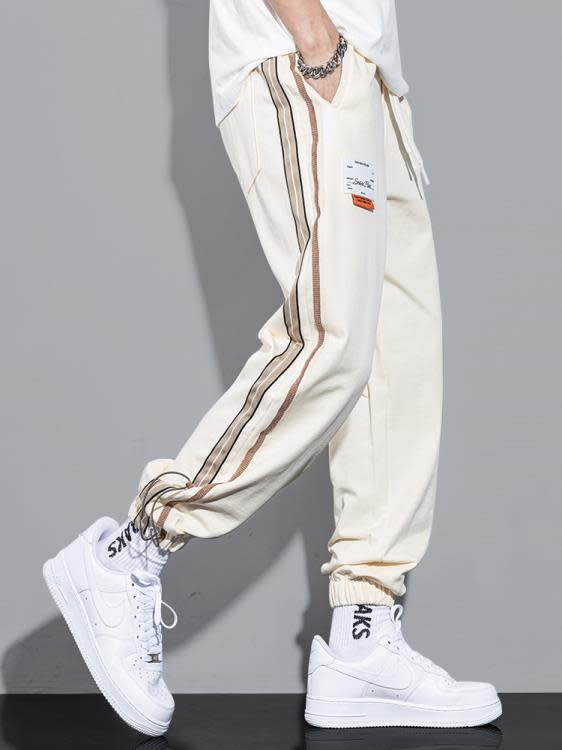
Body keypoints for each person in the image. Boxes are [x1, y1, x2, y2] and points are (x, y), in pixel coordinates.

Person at [43, 0, 502, 737]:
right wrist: (315, 36)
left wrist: (356, 61)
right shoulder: (313, 49)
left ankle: (363, 636)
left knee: (398, 359)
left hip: (371, 73)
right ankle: (131, 550)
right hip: (304, 56)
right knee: (332, 340)